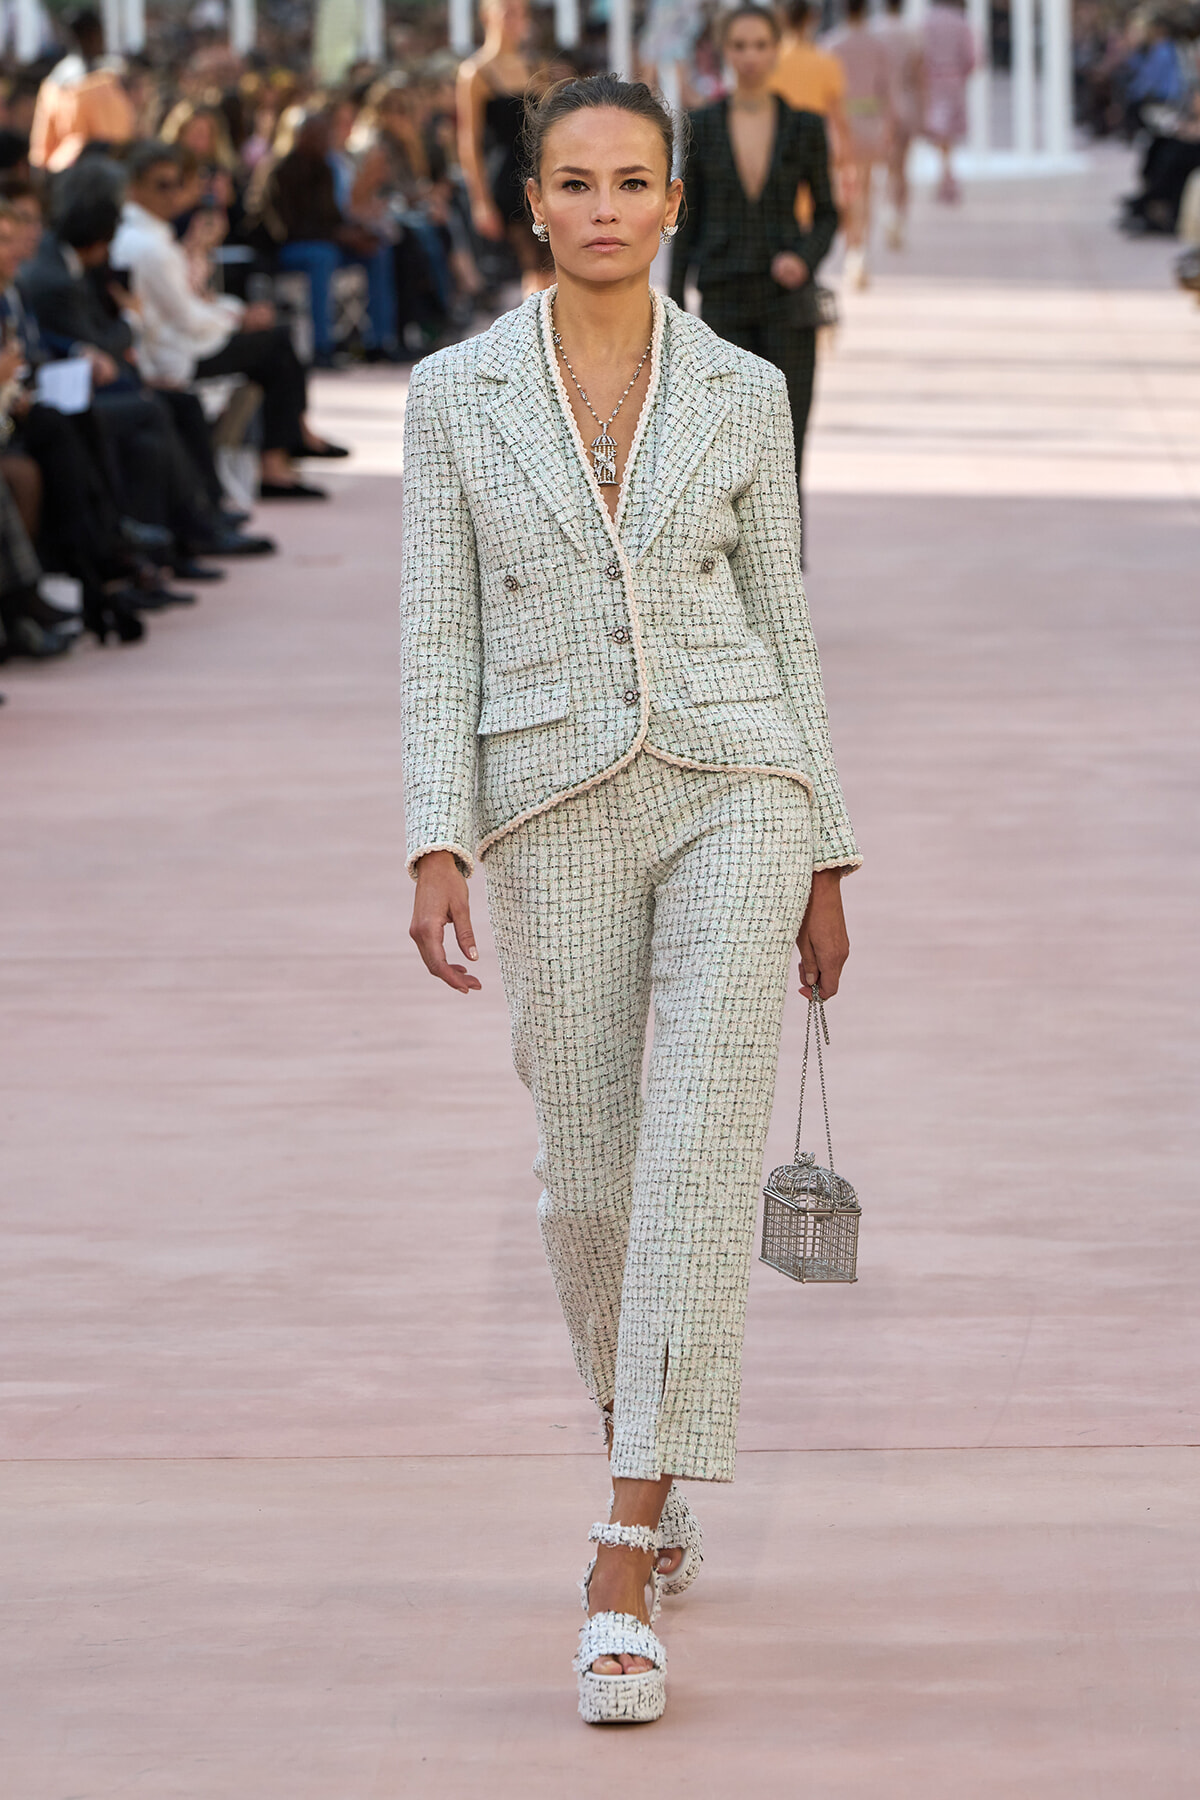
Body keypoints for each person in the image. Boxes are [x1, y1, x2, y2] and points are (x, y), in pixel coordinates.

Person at [402, 72, 859, 1726]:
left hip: (736, 781)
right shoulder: (454, 391)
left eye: (633, 181)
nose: (605, 206)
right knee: (586, 1175)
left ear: (674, 202)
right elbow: (435, 625)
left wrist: (825, 840)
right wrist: (431, 834)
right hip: (553, 805)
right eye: (576, 181)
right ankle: (641, 1440)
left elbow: (786, 622)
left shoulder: (743, 390)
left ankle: (625, 1536)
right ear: (532, 203)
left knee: (691, 1149)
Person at [670, 5, 838, 535]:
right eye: (739, 45)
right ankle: (730, 560)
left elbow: (830, 212)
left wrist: (804, 258)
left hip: (787, 300)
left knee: (788, 435)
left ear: (776, 48)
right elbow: (684, 223)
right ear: (725, 51)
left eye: (760, 44)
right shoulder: (699, 126)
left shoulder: (805, 126)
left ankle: (786, 562)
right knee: (724, 441)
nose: (750, 56)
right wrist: (670, 312)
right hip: (722, 298)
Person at [110, 141, 343, 500]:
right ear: (134, 188)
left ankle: (285, 448)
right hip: (176, 354)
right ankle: (277, 462)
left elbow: (191, 301)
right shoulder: (148, 244)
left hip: (186, 341)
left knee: (274, 340)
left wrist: (232, 310)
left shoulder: (154, 236)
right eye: (162, 185)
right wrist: (238, 317)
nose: (172, 195)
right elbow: (187, 316)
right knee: (276, 345)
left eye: (177, 184)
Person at [256, 107, 398, 367]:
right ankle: (322, 347)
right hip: (289, 250)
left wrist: (357, 233)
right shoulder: (280, 171)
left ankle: (379, 341)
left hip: (328, 242)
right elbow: (285, 228)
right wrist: (339, 236)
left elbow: (334, 216)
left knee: (376, 250)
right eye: (316, 135)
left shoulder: (325, 169)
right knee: (323, 256)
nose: (323, 140)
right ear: (299, 136)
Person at [457, 0, 553, 296]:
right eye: (507, 10)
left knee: (552, 270)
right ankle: (533, 338)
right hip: (507, 182)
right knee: (535, 269)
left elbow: (550, 130)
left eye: (521, 11)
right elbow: (468, 141)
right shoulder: (475, 73)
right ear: (487, 15)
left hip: (543, 178)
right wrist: (480, 201)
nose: (515, 18)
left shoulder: (536, 67)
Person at [827, 0, 894, 287]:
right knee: (865, 189)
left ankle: (852, 248)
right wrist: (888, 125)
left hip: (840, 124)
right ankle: (859, 250)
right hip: (869, 122)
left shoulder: (830, 44)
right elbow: (887, 89)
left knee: (844, 190)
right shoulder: (877, 45)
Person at [29, 8, 136, 174]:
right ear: (93, 35)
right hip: (97, 172)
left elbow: (41, 149)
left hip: (63, 171)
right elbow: (117, 140)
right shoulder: (106, 81)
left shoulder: (54, 81)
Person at [770, 0, 849, 169]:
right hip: (815, 144)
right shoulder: (826, 61)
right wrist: (844, 144)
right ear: (810, 19)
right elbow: (836, 111)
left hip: (777, 145)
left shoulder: (770, 61)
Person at [875, 0, 924, 250]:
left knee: (886, 167)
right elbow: (919, 76)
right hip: (906, 105)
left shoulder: (875, 32)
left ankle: (887, 213)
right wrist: (923, 110)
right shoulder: (911, 34)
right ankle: (900, 219)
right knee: (902, 167)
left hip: (881, 108)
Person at [921, 0, 977, 203]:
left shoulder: (926, 22)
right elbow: (972, 58)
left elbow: (920, 54)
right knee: (947, 132)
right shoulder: (961, 22)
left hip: (933, 82)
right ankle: (947, 175)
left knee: (939, 129)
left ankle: (946, 174)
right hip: (953, 81)